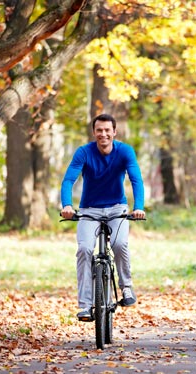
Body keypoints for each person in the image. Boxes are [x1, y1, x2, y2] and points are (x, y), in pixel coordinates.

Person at [60, 113, 146, 321]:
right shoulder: (84, 152)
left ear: (114, 132)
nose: (103, 134)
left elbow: (136, 180)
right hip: (89, 210)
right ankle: (85, 305)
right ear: (94, 132)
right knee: (84, 249)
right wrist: (67, 205)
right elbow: (68, 180)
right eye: (99, 130)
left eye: (108, 130)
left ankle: (126, 288)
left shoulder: (125, 151)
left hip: (117, 209)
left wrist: (139, 207)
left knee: (119, 244)